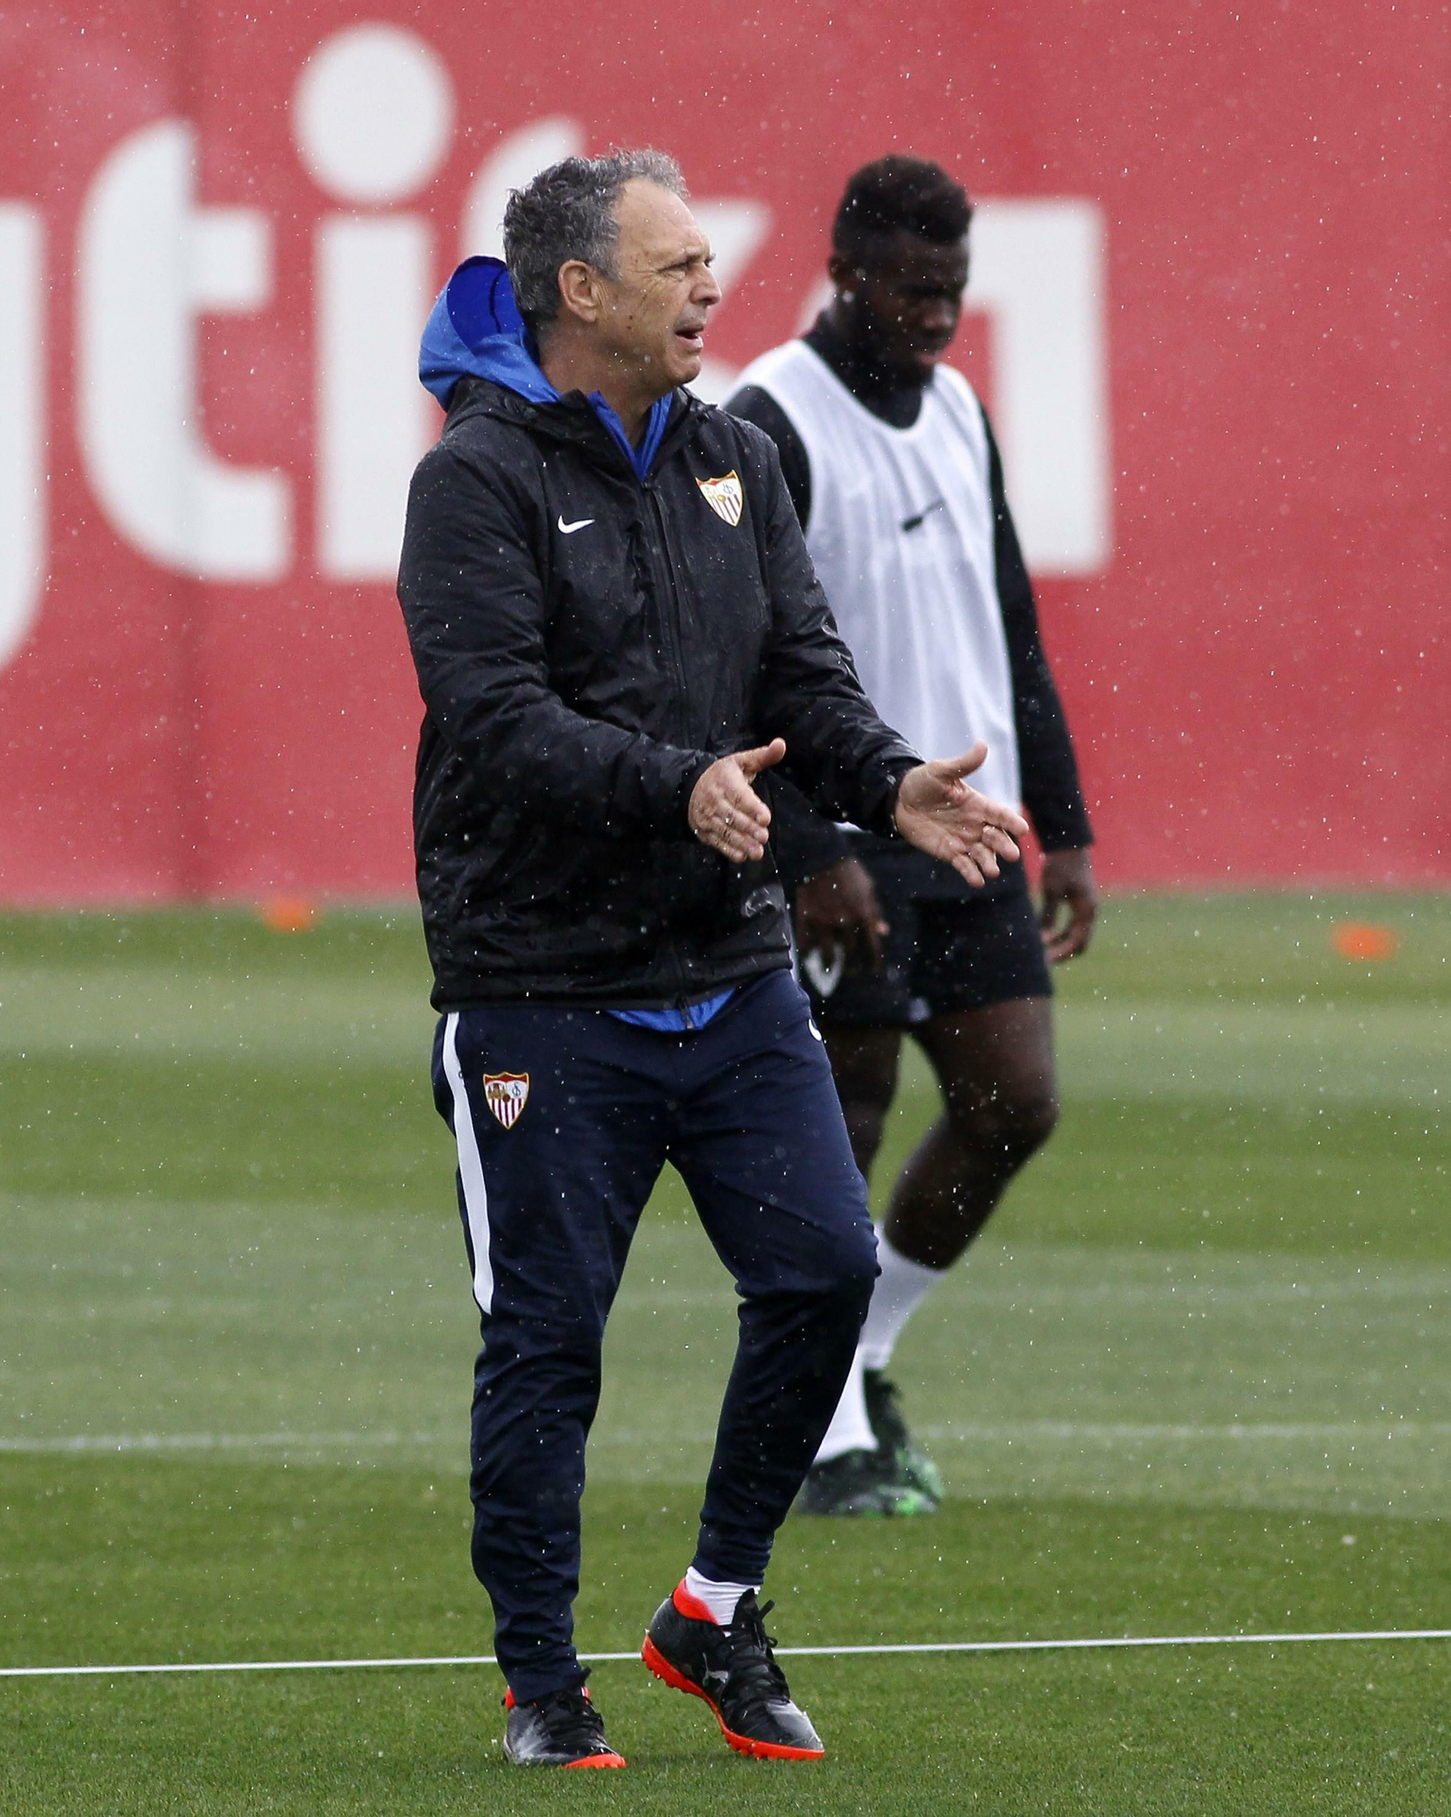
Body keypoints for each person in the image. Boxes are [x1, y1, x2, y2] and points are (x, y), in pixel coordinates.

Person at [398, 150, 1028, 1769]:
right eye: (676, 264)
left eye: (706, 261)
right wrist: (671, 783)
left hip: (726, 971)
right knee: (548, 1339)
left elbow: (804, 678)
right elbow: (498, 720)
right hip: (541, 982)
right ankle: (545, 1682)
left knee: (819, 1271)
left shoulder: (736, 454)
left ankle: (712, 1607)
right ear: (581, 292)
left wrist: (886, 778)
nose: (710, 287)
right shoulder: (472, 481)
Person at [726, 156, 1098, 1518]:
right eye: (914, 289)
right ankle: (819, 1429)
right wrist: (807, 849)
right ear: (846, 274)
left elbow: (1011, 624)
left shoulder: (957, 412)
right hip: (849, 826)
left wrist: (1064, 827)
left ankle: (860, 1348)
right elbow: (745, 660)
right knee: (848, 1116)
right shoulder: (772, 417)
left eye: (954, 291)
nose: (938, 317)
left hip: (973, 826)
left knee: (1017, 1100)